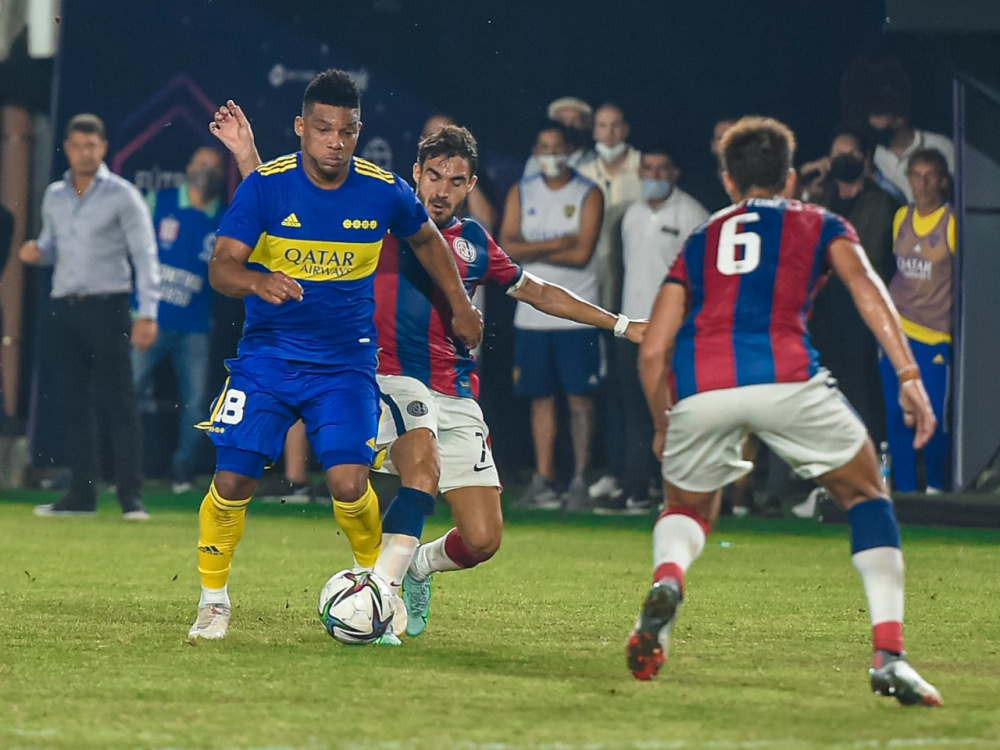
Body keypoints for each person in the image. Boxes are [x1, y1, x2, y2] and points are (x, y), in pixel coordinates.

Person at [214, 111, 645, 640]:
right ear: (416, 173)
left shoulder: (474, 242)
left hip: (456, 392)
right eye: (434, 176)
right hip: (388, 377)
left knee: (482, 539)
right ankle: (380, 595)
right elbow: (286, 217)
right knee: (423, 466)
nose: (442, 191)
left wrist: (621, 324)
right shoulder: (377, 222)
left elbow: (538, 291)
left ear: (471, 185)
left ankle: (415, 565)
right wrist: (247, 158)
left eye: (456, 180)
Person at [628, 116, 942, 707]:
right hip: (786, 378)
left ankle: (668, 580)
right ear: (791, 177)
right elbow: (868, 289)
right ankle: (889, 655)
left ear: (728, 181)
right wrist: (908, 375)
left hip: (701, 386)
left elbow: (652, 350)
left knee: (687, 508)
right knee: (867, 496)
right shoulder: (820, 221)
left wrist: (664, 421)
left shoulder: (700, 238)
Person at [187, 70, 482, 641]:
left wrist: (461, 302)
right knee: (233, 480)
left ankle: (377, 597)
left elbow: (425, 238)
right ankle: (213, 602)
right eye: (323, 129)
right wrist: (258, 281)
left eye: (346, 131)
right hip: (268, 358)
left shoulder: (383, 189)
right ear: (302, 128)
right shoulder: (267, 185)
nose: (335, 142)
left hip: (345, 363)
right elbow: (222, 267)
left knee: (348, 483)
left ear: (358, 132)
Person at [20, 113, 159, 520]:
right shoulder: (55, 195)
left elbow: (144, 254)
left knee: (119, 402)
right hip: (65, 305)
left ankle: (131, 497)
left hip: (107, 305)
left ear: (103, 148)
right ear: (67, 147)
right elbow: (52, 245)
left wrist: (148, 312)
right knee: (74, 404)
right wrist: (38, 252)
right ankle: (82, 496)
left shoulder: (122, 195)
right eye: (78, 146)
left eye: (91, 146)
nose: (84, 153)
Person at [594, 145, 707, 515]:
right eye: (648, 169)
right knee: (635, 412)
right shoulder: (631, 215)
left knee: (676, 413)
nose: (654, 176)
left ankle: (680, 492)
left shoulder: (693, 215)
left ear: (675, 173)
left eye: (661, 169)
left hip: (674, 331)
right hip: (633, 328)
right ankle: (637, 489)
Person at [500, 120, 604, 511]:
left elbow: (583, 254)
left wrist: (533, 249)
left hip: (578, 314)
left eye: (557, 147)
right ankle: (543, 479)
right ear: (535, 151)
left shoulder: (587, 192)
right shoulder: (522, 190)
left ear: (569, 151)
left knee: (580, 399)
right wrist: (561, 241)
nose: (550, 155)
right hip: (531, 315)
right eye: (543, 147)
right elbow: (507, 247)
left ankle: (578, 479)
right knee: (539, 398)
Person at [135, 146, 226, 494]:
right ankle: (121, 471)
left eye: (214, 167)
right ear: (188, 166)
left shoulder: (225, 218)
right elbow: (135, 252)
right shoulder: (160, 202)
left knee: (196, 403)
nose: (206, 171)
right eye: (201, 163)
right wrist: (137, 312)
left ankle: (183, 472)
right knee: (127, 392)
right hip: (150, 319)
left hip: (195, 326)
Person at [879, 148, 956, 493]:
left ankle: (937, 488)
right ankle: (906, 492)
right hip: (897, 331)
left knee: (933, 416)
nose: (923, 184)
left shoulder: (951, 222)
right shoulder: (901, 217)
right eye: (917, 176)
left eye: (930, 176)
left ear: (942, 180)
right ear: (908, 179)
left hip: (935, 333)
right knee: (897, 415)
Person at [421, 114, 498, 232]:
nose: (441, 145)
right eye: (433, 137)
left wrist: (463, 174)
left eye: (447, 138)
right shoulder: (408, 178)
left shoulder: (478, 179)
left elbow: (485, 226)